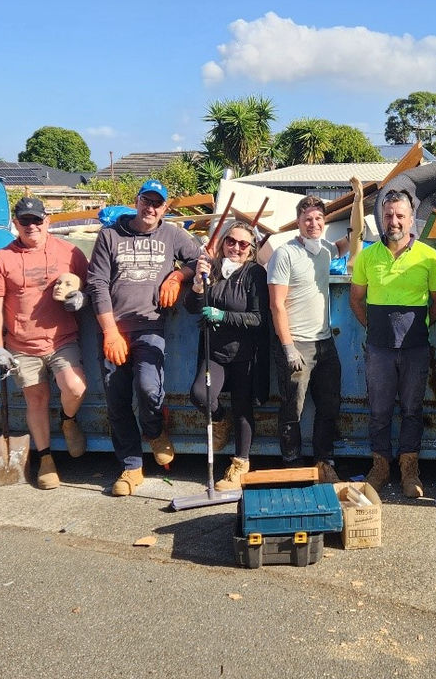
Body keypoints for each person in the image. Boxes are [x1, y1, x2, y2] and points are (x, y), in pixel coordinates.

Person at [86, 178, 199, 497]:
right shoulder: (110, 235)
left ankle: (155, 429)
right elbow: (96, 284)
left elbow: (200, 261)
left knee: (150, 388)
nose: (151, 208)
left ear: (165, 207)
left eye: (158, 203)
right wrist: (110, 331)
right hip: (114, 329)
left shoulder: (173, 234)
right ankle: (131, 467)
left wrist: (178, 276)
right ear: (136, 202)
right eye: (146, 201)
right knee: (117, 399)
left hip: (150, 327)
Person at [0, 196, 90, 490]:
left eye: (37, 220)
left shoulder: (69, 252)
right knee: (36, 400)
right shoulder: (2, 258)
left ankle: (68, 420)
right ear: (15, 224)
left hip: (61, 339)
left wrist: (82, 299)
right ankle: (45, 460)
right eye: (24, 221)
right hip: (21, 344)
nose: (31, 226)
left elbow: (90, 285)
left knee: (75, 386)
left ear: (47, 222)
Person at [350, 188, 436, 497]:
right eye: (389, 215)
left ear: (410, 220)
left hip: (416, 348)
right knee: (378, 410)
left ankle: (409, 471)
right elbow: (356, 300)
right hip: (378, 348)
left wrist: (419, 327)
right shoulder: (368, 256)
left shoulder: (429, 256)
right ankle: (380, 467)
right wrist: (375, 327)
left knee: (411, 409)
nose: (394, 221)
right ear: (382, 218)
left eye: (400, 216)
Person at [185, 221, 269, 490]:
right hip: (215, 351)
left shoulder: (254, 273)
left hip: (244, 354)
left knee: (244, 410)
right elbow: (191, 307)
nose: (236, 247)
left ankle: (240, 464)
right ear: (222, 243)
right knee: (201, 395)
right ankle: (221, 419)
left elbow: (258, 318)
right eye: (230, 241)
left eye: (243, 244)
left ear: (251, 249)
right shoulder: (213, 270)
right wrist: (198, 284)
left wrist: (223, 315)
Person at [268, 195, 344, 483]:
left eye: (318, 219)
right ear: (298, 222)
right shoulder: (284, 254)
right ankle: (293, 465)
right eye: (308, 219)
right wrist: (287, 347)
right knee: (293, 409)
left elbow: (350, 243)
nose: (313, 224)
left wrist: (361, 203)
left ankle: (324, 462)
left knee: (329, 405)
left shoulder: (325, 250)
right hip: (296, 343)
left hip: (325, 343)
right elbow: (276, 305)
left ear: (324, 223)